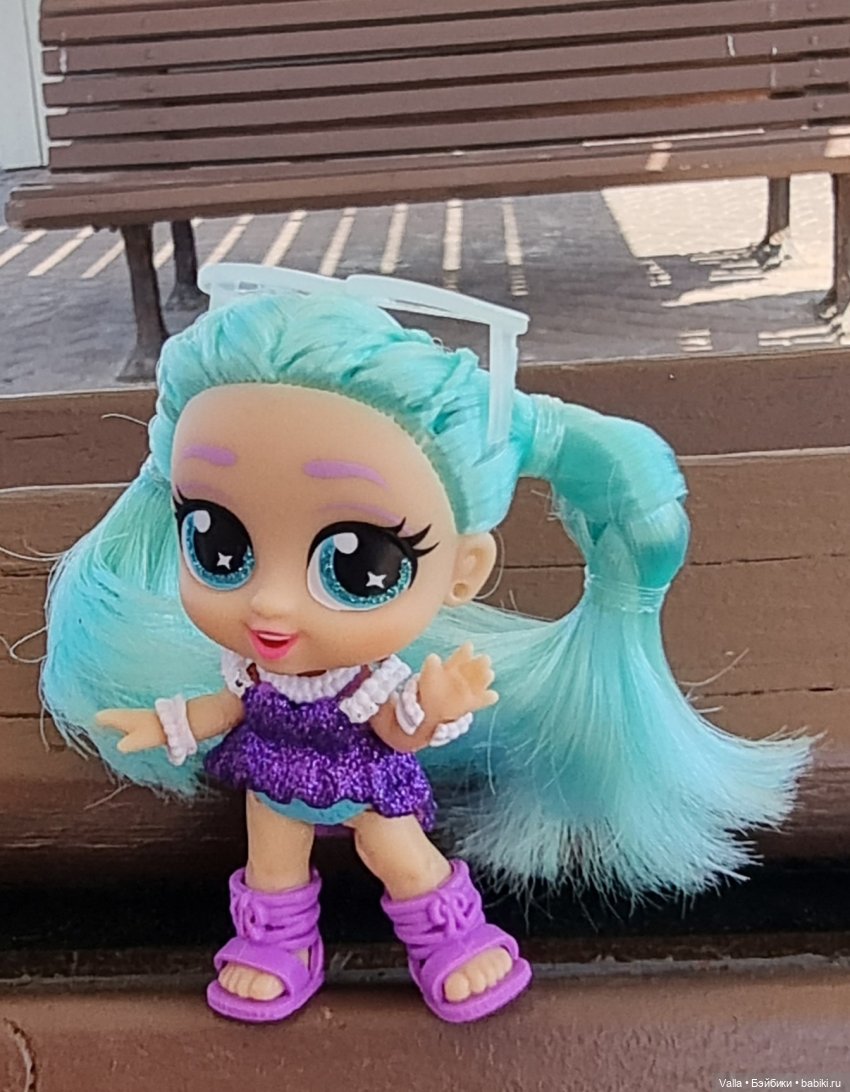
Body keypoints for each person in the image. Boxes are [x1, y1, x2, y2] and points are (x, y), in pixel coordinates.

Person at [40, 274, 810, 1024]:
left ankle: (451, 937)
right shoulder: (251, 671)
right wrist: (164, 722)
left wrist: (432, 708)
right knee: (272, 861)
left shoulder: (364, 680)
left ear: (463, 572)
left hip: (365, 778)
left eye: (357, 565)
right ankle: (278, 944)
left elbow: (394, 729)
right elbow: (228, 707)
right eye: (218, 543)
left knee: (402, 856)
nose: (271, 602)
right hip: (271, 778)